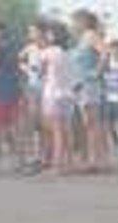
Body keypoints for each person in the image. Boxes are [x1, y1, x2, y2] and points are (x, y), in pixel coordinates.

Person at [69, 10, 108, 173]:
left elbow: (105, 53)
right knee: (87, 124)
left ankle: (97, 161)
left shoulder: (91, 35)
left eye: (74, 21)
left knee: (92, 124)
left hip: (90, 86)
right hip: (80, 87)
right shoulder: (80, 39)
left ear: (83, 21)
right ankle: (91, 160)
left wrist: (96, 72)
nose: (72, 25)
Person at [0, 21, 23, 174]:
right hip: (11, 90)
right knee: (11, 128)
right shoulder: (12, 45)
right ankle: (18, 162)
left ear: (0, 32)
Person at [38, 20, 74, 174]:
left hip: (52, 94)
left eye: (49, 33)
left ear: (54, 35)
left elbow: (40, 72)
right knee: (66, 131)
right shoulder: (67, 53)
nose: (47, 35)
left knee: (56, 131)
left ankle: (56, 165)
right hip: (67, 95)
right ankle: (68, 163)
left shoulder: (48, 52)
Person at [20, 22, 47, 172]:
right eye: (29, 31)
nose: (30, 34)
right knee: (32, 123)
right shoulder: (30, 48)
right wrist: (26, 68)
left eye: (32, 31)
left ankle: (43, 157)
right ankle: (33, 158)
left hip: (47, 90)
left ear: (41, 32)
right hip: (33, 88)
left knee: (44, 125)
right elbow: (19, 59)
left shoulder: (49, 48)